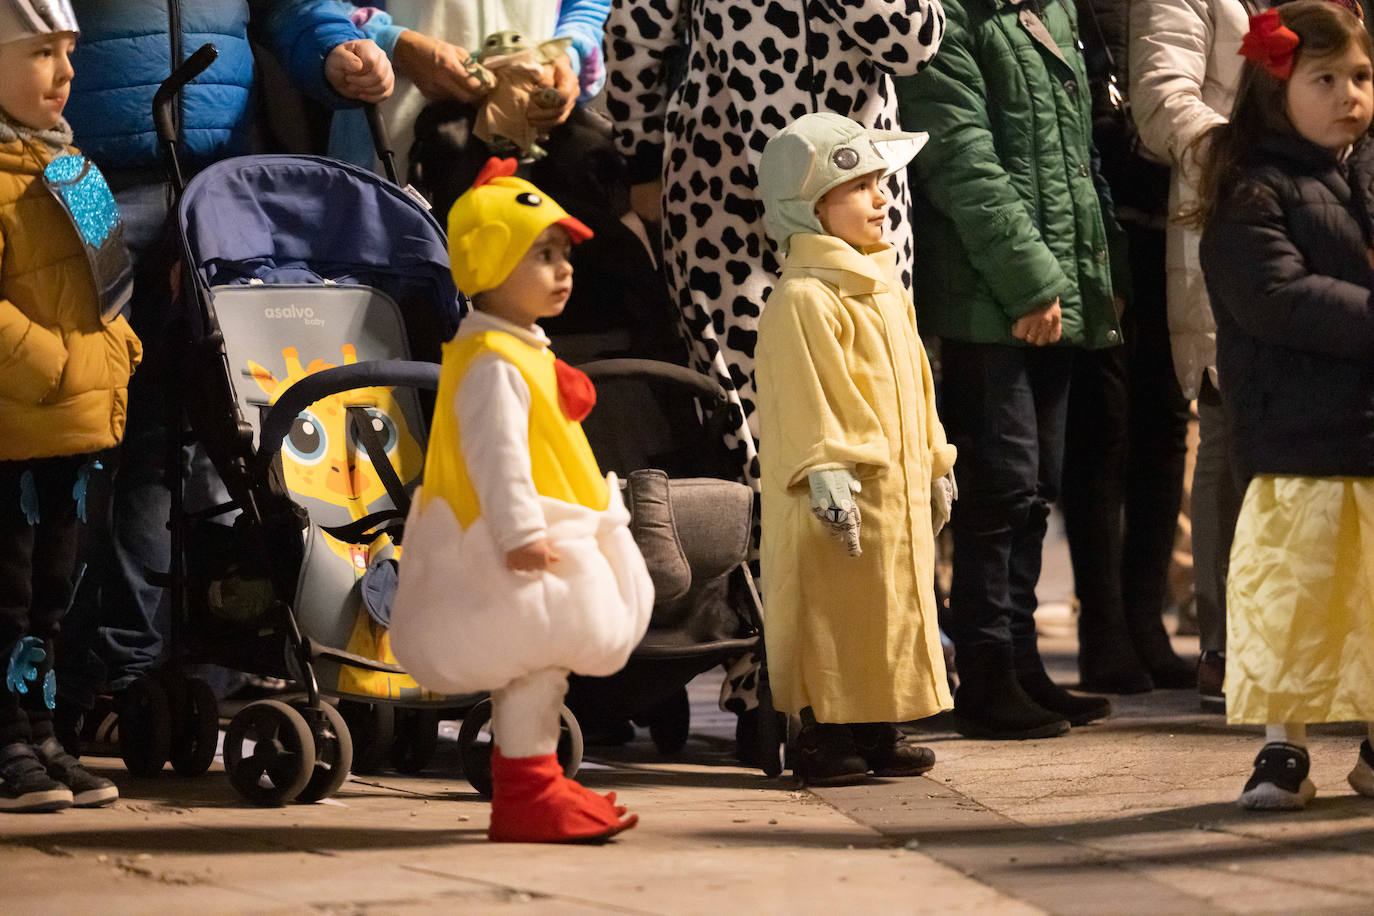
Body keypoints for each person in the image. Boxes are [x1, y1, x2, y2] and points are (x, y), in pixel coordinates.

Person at [52, 1, 395, 751]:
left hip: (219, 181)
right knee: (89, 424)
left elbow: (295, 7)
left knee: (212, 432)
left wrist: (336, 50)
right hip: (81, 170)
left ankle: (156, 668)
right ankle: (76, 674)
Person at [388, 158, 652, 842]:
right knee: (534, 668)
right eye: (541, 254)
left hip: (543, 536)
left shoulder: (518, 349)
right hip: (513, 549)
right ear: (490, 263)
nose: (564, 270)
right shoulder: (494, 363)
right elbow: (497, 455)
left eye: (564, 254)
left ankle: (535, 786)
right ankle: (528, 792)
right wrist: (518, 532)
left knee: (541, 673)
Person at [896, 0, 1125, 739]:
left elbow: (1074, 156)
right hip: (986, 290)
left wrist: (1092, 268)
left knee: (1038, 487)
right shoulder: (950, 16)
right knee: (999, 486)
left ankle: (1024, 662)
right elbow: (959, 157)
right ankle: (987, 673)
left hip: (1051, 284)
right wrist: (1030, 278)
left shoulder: (1049, 8)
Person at [1192, 0, 1374, 810]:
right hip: (1295, 435)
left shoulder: (1363, 174)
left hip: (1364, 433)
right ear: (1275, 89)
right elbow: (1276, 295)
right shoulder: (1252, 188)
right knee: (1294, 599)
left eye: (1362, 76)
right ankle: (1282, 751)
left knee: (1368, 599)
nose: (1349, 95)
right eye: (1325, 79)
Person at [754, 113, 957, 785]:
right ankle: (822, 733)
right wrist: (825, 469)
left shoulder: (882, 288)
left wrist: (934, 459)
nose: (880, 200)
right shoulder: (805, 297)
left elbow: (915, 385)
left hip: (894, 493)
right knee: (833, 613)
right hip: (840, 493)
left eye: (880, 184)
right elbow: (803, 394)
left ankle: (876, 724)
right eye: (860, 187)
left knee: (889, 608)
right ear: (809, 207)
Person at [0, 0, 139, 810]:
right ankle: (5, 740)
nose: (68, 72)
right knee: (6, 590)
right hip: (16, 423)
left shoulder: (75, 166)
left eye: (71, 51)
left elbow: (112, 288)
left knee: (55, 591)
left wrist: (121, 353)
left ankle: (42, 729)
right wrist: (53, 364)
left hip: (72, 424)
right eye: (42, 52)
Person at [1062, 0, 1194, 694]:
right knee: (1102, 423)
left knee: (1167, 415)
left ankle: (1146, 621)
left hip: (1173, 211)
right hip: (1095, 215)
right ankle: (1104, 628)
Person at [1129, 0, 1252, 713]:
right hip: (1240, 211)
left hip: (1342, 209)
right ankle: (1228, 645)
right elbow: (1161, 97)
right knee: (1230, 422)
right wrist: (1249, 157)